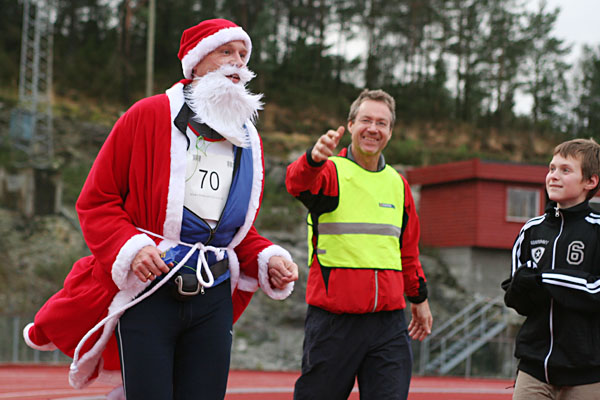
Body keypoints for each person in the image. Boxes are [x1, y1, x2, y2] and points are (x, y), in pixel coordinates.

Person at [23, 18, 298, 399]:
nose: (238, 62)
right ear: (197, 61)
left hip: (213, 294)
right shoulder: (146, 115)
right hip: (151, 289)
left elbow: (230, 233)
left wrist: (266, 258)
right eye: (226, 52)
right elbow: (97, 201)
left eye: (243, 54)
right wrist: (132, 248)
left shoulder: (249, 140)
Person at [285, 88, 433, 400]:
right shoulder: (329, 172)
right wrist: (313, 159)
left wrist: (418, 297)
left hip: (388, 323)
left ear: (390, 132)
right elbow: (296, 183)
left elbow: (407, 250)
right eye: (366, 120)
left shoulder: (397, 183)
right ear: (351, 125)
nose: (373, 129)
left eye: (382, 123)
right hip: (334, 321)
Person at [502, 138, 600, 399]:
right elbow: (516, 297)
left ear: (590, 181)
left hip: (588, 374)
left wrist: (543, 279)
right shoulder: (531, 230)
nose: (553, 176)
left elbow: (596, 290)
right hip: (533, 370)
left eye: (565, 170)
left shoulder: (597, 230)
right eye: (551, 168)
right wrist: (525, 287)